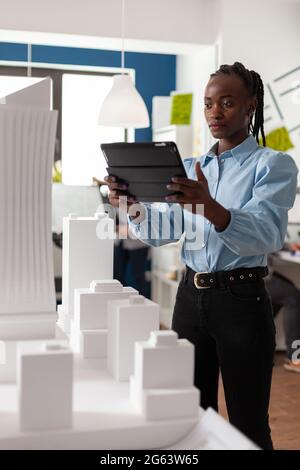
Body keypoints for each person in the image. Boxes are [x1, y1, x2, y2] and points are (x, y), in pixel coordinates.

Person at [105, 62, 298, 450]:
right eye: (209, 103)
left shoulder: (272, 164)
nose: (215, 112)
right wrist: (132, 205)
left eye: (227, 102)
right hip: (189, 300)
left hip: (241, 301)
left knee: (247, 423)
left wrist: (208, 205)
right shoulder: (193, 167)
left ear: (251, 107)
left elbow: (266, 233)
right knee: (192, 414)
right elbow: (166, 229)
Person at [265, 242, 300, 373]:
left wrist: (289, 246)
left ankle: (259, 346)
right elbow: (269, 239)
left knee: (288, 290)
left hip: (260, 274)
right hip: (258, 278)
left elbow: (271, 240)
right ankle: (295, 358)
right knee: (293, 297)